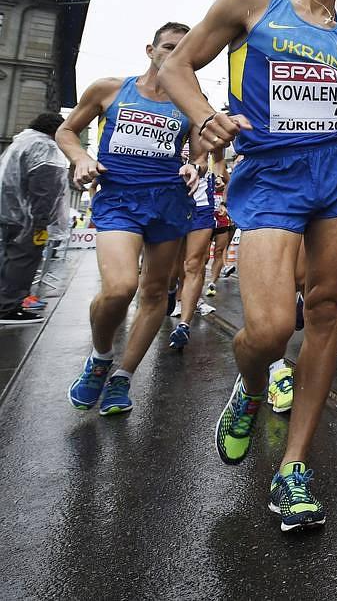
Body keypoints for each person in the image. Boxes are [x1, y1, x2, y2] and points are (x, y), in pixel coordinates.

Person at [159, 0, 337, 532]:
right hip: (269, 177)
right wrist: (206, 116)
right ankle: (252, 386)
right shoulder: (253, 4)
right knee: (267, 329)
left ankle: (294, 467)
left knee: (322, 311)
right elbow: (178, 68)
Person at [59, 23, 201, 415]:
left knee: (155, 293)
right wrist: (82, 158)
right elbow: (67, 130)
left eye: (184, 49)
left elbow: (201, 150)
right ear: (150, 50)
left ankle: (122, 377)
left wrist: (197, 167)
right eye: (169, 47)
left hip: (169, 203)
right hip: (119, 198)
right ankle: (101, 357)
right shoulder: (108, 89)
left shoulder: (192, 102)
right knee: (121, 286)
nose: (174, 54)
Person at [0, 114, 69, 324]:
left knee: (8, 260)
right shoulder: (44, 147)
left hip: (9, 214)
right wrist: (42, 222)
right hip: (27, 219)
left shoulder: (22, 142)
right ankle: (8, 308)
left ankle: (6, 303)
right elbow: (45, 189)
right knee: (24, 260)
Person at [168, 150, 222, 349]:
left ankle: (184, 325)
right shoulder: (170, 121)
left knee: (193, 265)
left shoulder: (208, 126)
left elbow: (218, 160)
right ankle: (171, 290)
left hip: (201, 206)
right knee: (172, 268)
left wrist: (218, 178)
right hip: (170, 203)